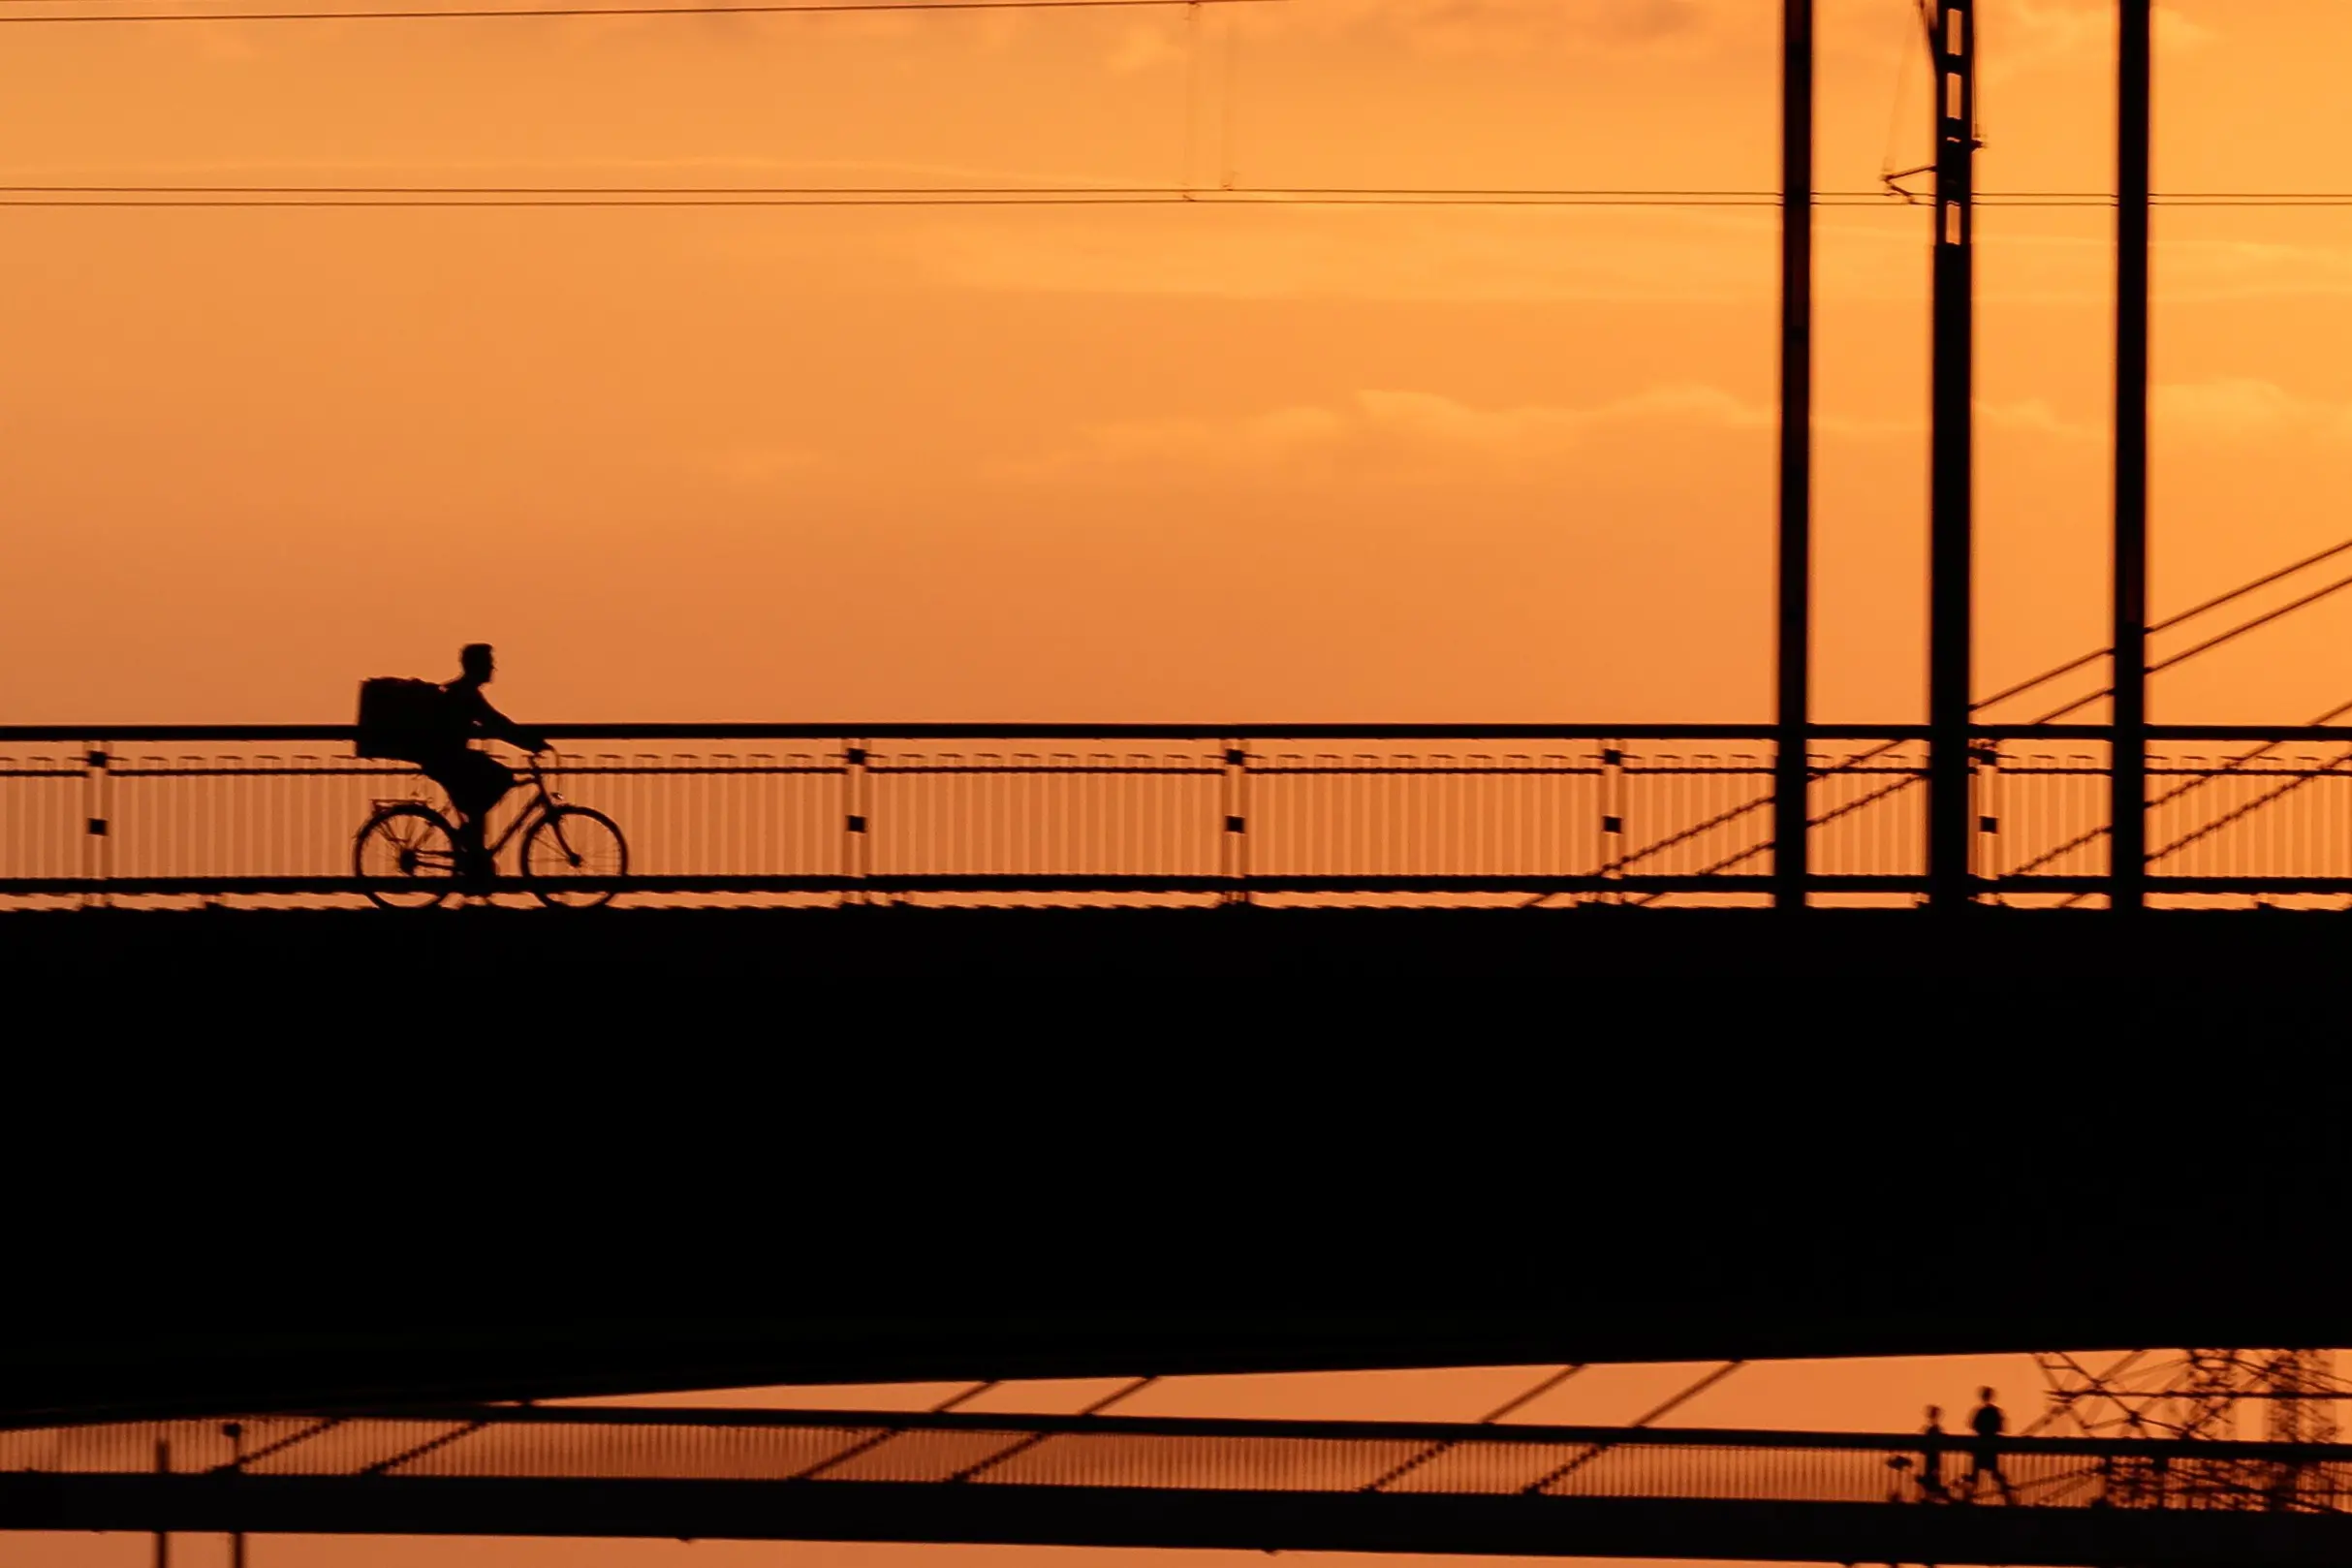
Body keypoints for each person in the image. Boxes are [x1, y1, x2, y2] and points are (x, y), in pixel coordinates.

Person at [418, 643, 550, 881]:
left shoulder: (461, 690)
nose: (492, 667)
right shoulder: (466, 694)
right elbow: (495, 723)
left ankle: (473, 856)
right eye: (488, 662)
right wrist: (530, 743)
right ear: (477, 666)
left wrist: (526, 740)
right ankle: (469, 849)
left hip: (445, 758)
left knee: (485, 791)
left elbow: (495, 723)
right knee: (500, 779)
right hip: (448, 759)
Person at [1963, 1387, 2014, 1504]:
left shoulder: (1979, 1412)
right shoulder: (1995, 1412)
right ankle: (2009, 1499)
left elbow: (1972, 1425)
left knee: (1975, 1475)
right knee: (1994, 1473)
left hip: (1981, 1446)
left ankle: (1966, 1500)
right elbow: (2001, 1427)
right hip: (1991, 1446)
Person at [1919, 1404, 1948, 1501]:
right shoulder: (1937, 1430)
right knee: (1933, 1477)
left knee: (1931, 1477)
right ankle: (1932, 1497)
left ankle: (1930, 1498)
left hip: (1931, 1458)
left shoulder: (1930, 1430)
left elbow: (1922, 1448)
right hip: (1934, 1458)